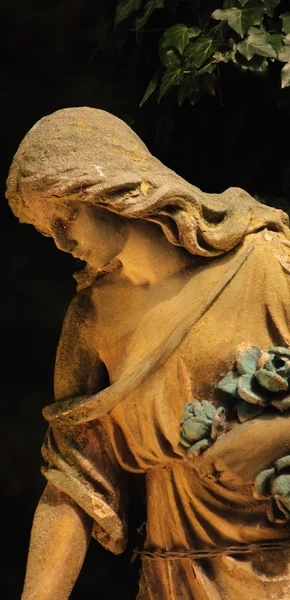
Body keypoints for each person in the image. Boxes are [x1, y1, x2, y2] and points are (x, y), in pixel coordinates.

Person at [6, 106, 290, 600]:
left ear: (110, 191)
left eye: (64, 217)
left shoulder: (265, 264)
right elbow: (73, 481)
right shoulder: (91, 319)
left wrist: (273, 437)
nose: (60, 241)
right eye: (43, 230)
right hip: (168, 584)